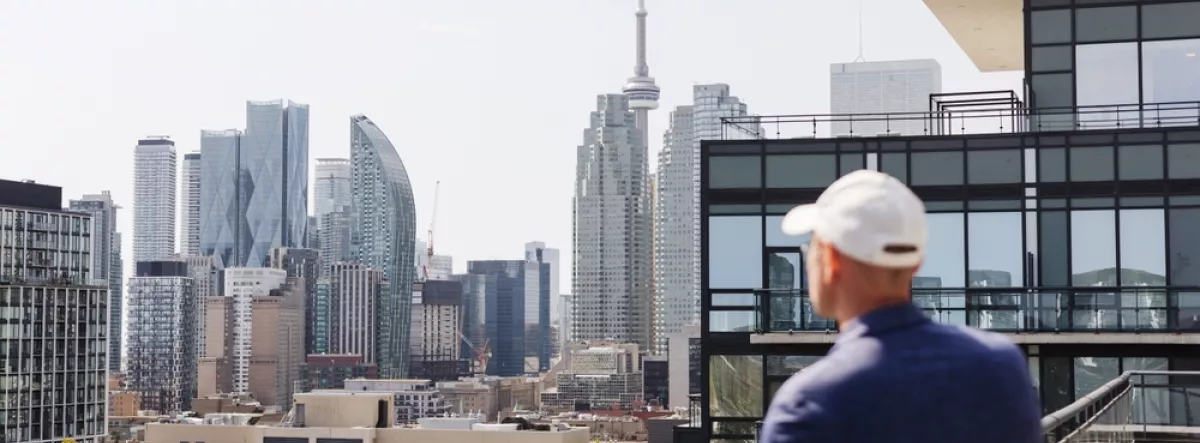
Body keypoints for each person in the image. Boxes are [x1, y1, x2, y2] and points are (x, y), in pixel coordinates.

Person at [758, 170, 1041, 443]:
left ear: (831, 259)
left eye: (811, 248)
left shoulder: (807, 406)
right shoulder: (1001, 365)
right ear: (915, 264)